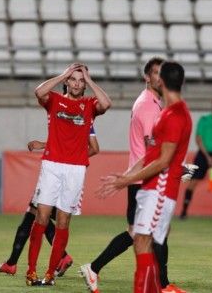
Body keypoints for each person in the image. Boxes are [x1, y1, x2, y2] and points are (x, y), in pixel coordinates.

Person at [80, 57, 189, 293]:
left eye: (163, 74)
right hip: (144, 178)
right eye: (156, 73)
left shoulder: (156, 103)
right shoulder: (149, 106)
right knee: (143, 234)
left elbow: (161, 151)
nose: (160, 78)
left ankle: (158, 283)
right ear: (147, 77)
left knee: (146, 234)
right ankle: (159, 284)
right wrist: (130, 178)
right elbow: (156, 153)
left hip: (144, 175)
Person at [26, 63, 111, 286]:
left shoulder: (89, 105)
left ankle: (50, 274)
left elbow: (107, 103)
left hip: (75, 170)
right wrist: (63, 73)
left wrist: (90, 80)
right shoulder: (54, 100)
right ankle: (31, 271)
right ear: (66, 81)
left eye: (80, 81)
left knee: (63, 222)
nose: (77, 83)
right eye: (73, 79)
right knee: (42, 217)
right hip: (52, 166)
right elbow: (38, 92)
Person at [0, 126, 99, 276]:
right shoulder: (85, 116)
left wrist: (47, 147)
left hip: (55, 175)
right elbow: (88, 147)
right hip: (67, 175)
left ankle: (56, 259)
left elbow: (86, 147)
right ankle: (14, 263)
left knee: (38, 216)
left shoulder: (72, 114)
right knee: (36, 216)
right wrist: (73, 159)